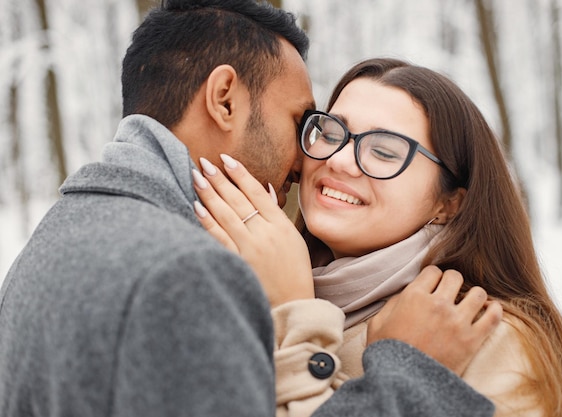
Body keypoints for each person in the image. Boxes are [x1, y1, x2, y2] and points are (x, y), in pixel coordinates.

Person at [0, 2, 501, 416]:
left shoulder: (52, 240)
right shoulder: (186, 273)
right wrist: (408, 373)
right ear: (224, 100)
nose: (310, 162)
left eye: (383, 151)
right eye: (299, 120)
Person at [193, 58, 562, 416]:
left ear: (449, 203)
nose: (338, 160)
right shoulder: (258, 290)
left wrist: (296, 311)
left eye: (385, 151)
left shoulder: (484, 335)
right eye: (331, 133)